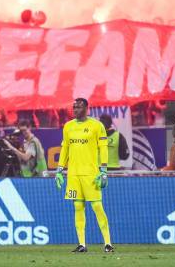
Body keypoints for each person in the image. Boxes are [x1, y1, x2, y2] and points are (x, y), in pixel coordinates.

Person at [55, 98, 114, 253]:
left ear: (87, 108)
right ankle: (82, 244)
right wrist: (59, 170)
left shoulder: (96, 126)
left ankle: (108, 243)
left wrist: (104, 171)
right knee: (77, 207)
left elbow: (103, 148)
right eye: (73, 107)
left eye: (78, 107)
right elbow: (65, 149)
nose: (75, 109)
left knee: (97, 207)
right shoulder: (68, 126)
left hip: (91, 174)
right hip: (73, 175)